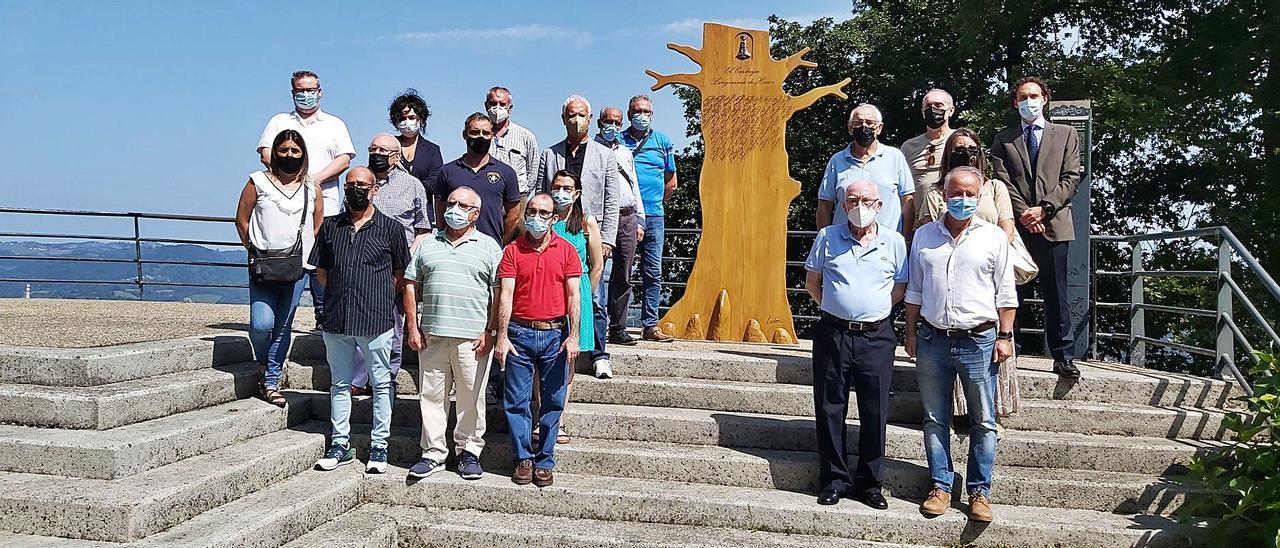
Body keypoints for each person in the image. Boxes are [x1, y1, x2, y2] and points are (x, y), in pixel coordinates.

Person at [904, 167, 1018, 523]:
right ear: (943, 192)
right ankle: (940, 484)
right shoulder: (924, 235)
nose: (964, 200)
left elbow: (1006, 292)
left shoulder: (994, 238)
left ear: (980, 195)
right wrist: (909, 333)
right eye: (957, 193)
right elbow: (915, 291)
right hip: (932, 338)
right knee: (935, 418)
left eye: (971, 194)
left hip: (980, 339)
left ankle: (979, 492)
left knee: (983, 420)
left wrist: (1005, 335)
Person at [804, 180, 907, 509]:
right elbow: (812, 282)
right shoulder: (828, 237)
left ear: (879, 205)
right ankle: (834, 479)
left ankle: (870, 482)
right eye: (852, 200)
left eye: (866, 200)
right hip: (833, 333)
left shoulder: (894, 242)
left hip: (877, 335)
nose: (859, 205)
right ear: (844, 205)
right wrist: (837, 309)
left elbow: (901, 286)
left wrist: (873, 311)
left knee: (875, 409)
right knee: (829, 407)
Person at [309, 167, 409, 475]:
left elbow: (400, 274)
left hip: (376, 320)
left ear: (375, 189)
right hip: (337, 319)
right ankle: (340, 444)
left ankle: (380, 445)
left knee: (381, 384)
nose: (356, 189)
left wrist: (374, 295)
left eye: (362, 185)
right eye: (351, 184)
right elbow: (322, 272)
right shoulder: (329, 228)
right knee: (340, 384)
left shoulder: (391, 229)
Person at [918, 128, 1021, 420]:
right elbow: (926, 233)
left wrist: (989, 250)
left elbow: (1007, 227)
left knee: (993, 348)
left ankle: (993, 413)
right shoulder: (936, 192)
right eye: (958, 148)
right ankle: (954, 414)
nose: (965, 153)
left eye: (971, 148)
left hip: (986, 273)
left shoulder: (996, 188)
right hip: (946, 280)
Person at [403, 187, 503, 481]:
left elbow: (499, 292)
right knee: (431, 396)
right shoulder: (427, 243)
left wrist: (491, 330)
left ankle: (469, 452)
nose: (455, 209)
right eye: (451, 202)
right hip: (432, 334)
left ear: (475, 213)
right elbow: (410, 283)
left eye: (462, 205)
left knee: (471, 398)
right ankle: (433, 453)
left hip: (473, 338)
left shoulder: (489, 246)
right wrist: (412, 325)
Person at [990, 76, 1083, 378]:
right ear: (1014, 102)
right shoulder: (1003, 138)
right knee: (1010, 291)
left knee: (1056, 294)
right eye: (1022, 96)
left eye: (1033, 95)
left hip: (1054, 225)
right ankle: (1007, 351)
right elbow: (1002, 182)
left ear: (1045, 98)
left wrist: (1043, 210)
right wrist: (1023, 214)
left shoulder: (1066, 134)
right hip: (1015, 228)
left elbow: (1071, 178)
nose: (1028, 101)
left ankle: (1063, 356)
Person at [494, 193, 583, 488]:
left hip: (555, 334)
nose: (536, 216)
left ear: (554, 218)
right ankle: (523, 458)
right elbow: (505, 294)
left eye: (543, 212)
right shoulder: (512, 251)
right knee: (516, 402)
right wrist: (502, 336)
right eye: (531, 210)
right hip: (519, 332)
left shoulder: (567, 250)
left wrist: (573, 336)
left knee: (553, 402)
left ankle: (545, 461)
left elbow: (574, 295)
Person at [235, 129, 323, 407]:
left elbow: (317, 223)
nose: (288, 155)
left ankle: (271, 379)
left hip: (296, 266)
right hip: (263, 264)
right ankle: (264, 362)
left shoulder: (311, 187)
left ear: (303, 155)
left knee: (283, 326)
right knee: (261, 324)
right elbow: (241, 219)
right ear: (274, 152)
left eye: (294, 151)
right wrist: (254, 248)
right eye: (283, 150)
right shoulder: (257, 181)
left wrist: (308, 254)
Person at [257, 70, 355, 318]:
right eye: (301, 90)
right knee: (290, 256)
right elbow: (265, 152)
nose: (306, 95)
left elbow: (344, 159)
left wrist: (313, 181)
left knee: (323, 260)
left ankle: (323, 316)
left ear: (320, 92)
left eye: (310, 90)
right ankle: (283, 316)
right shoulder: (279, 121)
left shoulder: (335, 124)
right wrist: (290, 178)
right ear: (293, 93)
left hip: (326, 203)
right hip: (283, 204)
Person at [534, 95, 619, 373]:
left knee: (595, 297)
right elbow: (539, 191)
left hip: (588, 232)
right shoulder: (550, 154)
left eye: (581, 115)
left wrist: (606, 239)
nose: (576, 120)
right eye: (571, 115)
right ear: (563, 119)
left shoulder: (605, 155)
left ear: (590, 119)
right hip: (554, 232)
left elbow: (611, 198)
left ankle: (598, 354)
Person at [350, 134, 432, 395]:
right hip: (362, 267)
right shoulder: (359, 184)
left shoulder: (413, 185)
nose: (377, 153)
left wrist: (408, 260)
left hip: (397, 268)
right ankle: (359, 378)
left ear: (397, 155)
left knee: (394, 327)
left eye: (383, 149)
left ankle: (385, 380)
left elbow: (423, 228)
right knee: (360, 326)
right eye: (372, 148)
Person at [549, 171, 604, 443]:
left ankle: (557, 419)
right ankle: (541, 414)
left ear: (577, 192)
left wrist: (584, 293)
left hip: (576, 292)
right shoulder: (542, 218)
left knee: (567, 360)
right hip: (546, 292)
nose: (561, 192)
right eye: (556, 187)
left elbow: (597, 265)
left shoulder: (585, 222)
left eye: (567, 188)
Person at [620, 94, 678, 342]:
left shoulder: (663, 141)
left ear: (652, 114)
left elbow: (671, 182)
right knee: (622, 271)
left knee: (653, 272)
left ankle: (650, 325)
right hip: (625, 215)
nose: (641, 115)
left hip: (654, 216)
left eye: (645, 111)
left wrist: (652, 204)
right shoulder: (618, 140)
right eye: (636, 110)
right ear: (629, 112)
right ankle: (617, 325)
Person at [816, 104, 915, 237]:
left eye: (869, 123)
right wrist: (826, 239)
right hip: (844, 243)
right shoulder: (837, 161)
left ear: (879, 128)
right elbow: (824, 205)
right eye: (858, 123)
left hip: (886, 243)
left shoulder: (895, 157)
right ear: (850, 128)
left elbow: (907, 201)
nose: (864, 127)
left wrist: (905, 239)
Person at [595, 105, 646, 348]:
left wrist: (640, 220)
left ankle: (618, 328)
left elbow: (634, 186)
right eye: (608, 121)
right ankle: (594, 327)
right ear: (599, 123)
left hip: (627, 216)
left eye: (617, 122)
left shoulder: (625, 152)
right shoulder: (592, 150)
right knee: (596, 273)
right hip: (602, 218)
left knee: (623, 274)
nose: (612, 126)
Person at [436, 113, 522, 244]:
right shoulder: (447, 171)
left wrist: (499, 244)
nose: (480, 136)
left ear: (492, 135)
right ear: (465, 134)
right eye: (475, 132)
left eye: (485, 133)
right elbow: (440, 211)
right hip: (452, 246)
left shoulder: (506, 172)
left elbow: (513, 216)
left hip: (490, 248)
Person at [900, 89, 956, 224]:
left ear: (951, 110)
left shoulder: (960, 141)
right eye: (928, 106)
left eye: (938, 105)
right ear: (923, 112)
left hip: (952, 220)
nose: (933, 110)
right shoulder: (908, 147)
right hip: (917, 224)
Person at [389, 90, 444, 215]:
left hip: (422, 212)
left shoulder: (432, 150)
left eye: (412, 118)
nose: (407, 122)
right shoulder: (386, 145)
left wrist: (411, 192)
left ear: (421, 120)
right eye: (402, 118)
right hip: (390, 211)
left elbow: (435, 180)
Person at [485, 86, 540, 196]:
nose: (497, 108)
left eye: (502, 104)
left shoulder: (526, 137)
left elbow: (533, 171)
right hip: (487, 195)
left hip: (517, 196)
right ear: (486, 106)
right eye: (493, 104)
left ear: (510, 108)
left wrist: (521, 192)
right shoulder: (480, 134)